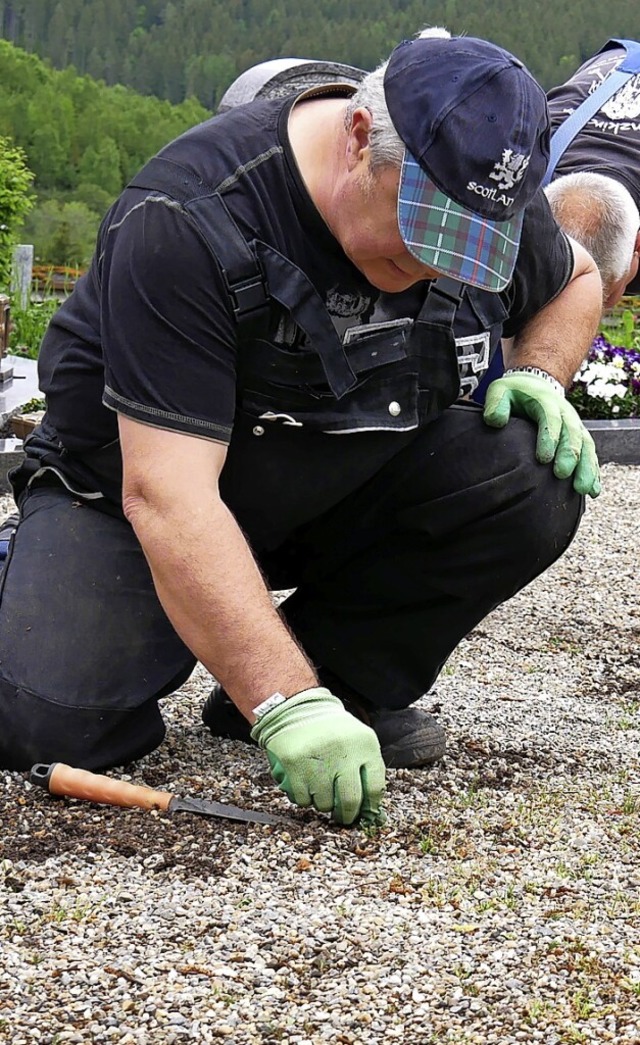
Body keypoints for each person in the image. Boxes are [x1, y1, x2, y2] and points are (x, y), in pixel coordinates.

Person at [0, 29, 603, 827]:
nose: (436, 268)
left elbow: (578, 278)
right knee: (53, 722)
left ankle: (336, 688)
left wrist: (537, 375)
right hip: (134, 505)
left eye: (462, 248)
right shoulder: (187, 218)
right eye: (420, 236)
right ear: (358, 138)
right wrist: (282, 698)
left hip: (332, 483)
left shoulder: (478, 185)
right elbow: (168, 497)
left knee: (529, 473)